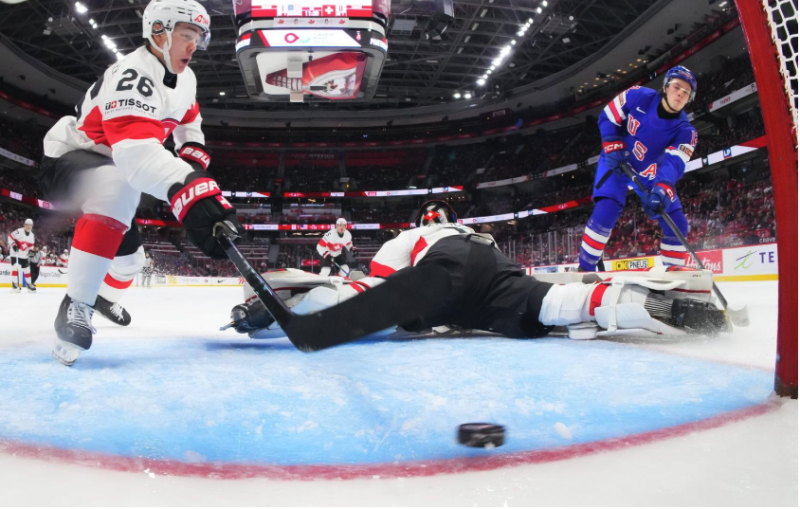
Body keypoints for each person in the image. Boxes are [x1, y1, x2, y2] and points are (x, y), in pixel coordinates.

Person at [39, 0, 242, 366]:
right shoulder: (132, 74)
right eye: (186, 34)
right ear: (159, 32)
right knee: (117, 186)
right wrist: (189, 188)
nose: (194, 45)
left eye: (199, 37)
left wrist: (193, 164)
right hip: (71, 159)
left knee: (131, 261)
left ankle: (102, 297)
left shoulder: (186, 78)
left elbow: (189, 124)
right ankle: (76, 304)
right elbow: (134, 157)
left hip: (114, 168)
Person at [225, 200, 728, 345]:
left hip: (446, 273)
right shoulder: (472, 231)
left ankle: (282, 299)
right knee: (549, 306)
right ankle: (643, 301)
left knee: (368, 296)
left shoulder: (411, 236)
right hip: (490, 278)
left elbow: (376, 283)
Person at [578, 66, 699, 272]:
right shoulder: (638, 95)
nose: (680, 93)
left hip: (650, 174)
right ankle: (584, 270)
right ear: (666, 86)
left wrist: (662, 187)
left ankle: (675, 277)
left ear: (689, 99)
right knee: (607, 208)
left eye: (686, 92)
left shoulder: (686, 132)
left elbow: (674, 163)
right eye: (677, 86)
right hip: (617, 159)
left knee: (677, 223)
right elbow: (608, 116)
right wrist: (612, 142)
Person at [7, 218, 35, 292]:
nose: (29, 226)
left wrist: (31, 252)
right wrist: (13, 245)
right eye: (27, 225)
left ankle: (29, 284)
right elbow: (10, 237)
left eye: (30, 225)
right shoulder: (19, 231)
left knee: (26, 269)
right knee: (14, 267)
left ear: (32, 226)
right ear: (24, 225)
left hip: (23, 254)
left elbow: (31, 246)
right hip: (14, 252)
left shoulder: (32, 235)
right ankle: (14, 285)